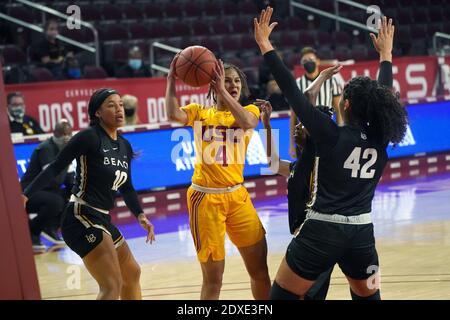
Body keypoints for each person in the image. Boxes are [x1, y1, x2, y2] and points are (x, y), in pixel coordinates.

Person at [254, 8, 407, 299]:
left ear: (345, 105)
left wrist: (266, 47)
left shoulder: (330, 136)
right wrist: (385, 55)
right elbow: (384, 94)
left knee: (280, 298)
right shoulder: (380, 138)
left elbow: (292, 92)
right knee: (368, 295)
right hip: (362, 234)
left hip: (321, 233)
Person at [22, 88, 155, 300]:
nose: (119, 109)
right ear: (97, 113)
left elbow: (127, 186)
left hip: (101, 217)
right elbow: (56, 166)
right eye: (111, 105)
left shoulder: (124, 146)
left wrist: (140, 215)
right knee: (112, 285)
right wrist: (26, 194)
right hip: (79, 215)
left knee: (132, 274)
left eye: (120, 104)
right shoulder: (88, 137)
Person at [165, 56, 271, 300]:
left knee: (259, 271)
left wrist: (222, 89)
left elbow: (246, 123)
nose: (233, 84)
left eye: (236, 81)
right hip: (205, 199)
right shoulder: (199, 112)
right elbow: (172, 114)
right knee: (214, 280)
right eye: (227, 80)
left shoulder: (250, 111)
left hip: (238, 196)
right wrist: (171, 79)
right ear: (212, 83)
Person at [255, 71, 338, 299]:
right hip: (305, 239)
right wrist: (267, 125)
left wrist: (320, 78)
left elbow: (309, 97)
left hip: (319, 239)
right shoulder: (297, 166)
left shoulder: (324, 159)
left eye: (304, 125)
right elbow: (272, 163)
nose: (297, 127)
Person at [21, 120, 74, 252]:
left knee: (73, 198)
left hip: (50, 191)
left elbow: (69, 180)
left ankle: (50, 228)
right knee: (56, 202)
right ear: (55, 133)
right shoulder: (46, 148)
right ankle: (33, 230)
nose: (66, 137)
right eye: (63, 134)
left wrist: (75, 192)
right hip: (30, 192)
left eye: (68, 134)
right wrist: (67, 157)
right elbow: (53, 180)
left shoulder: (65, 150)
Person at [289, 46, 343, 158]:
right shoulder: (298, 83)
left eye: (311, 59)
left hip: (326, 130)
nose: (308, 62)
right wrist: (291, 144)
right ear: (301, 64)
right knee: (305, 169)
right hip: (305, 133)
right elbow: (293, 116)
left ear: (318, 61)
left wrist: (340, 134)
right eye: (305, 61)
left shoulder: (332, 80)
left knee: (327, 167)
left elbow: (338, 109)